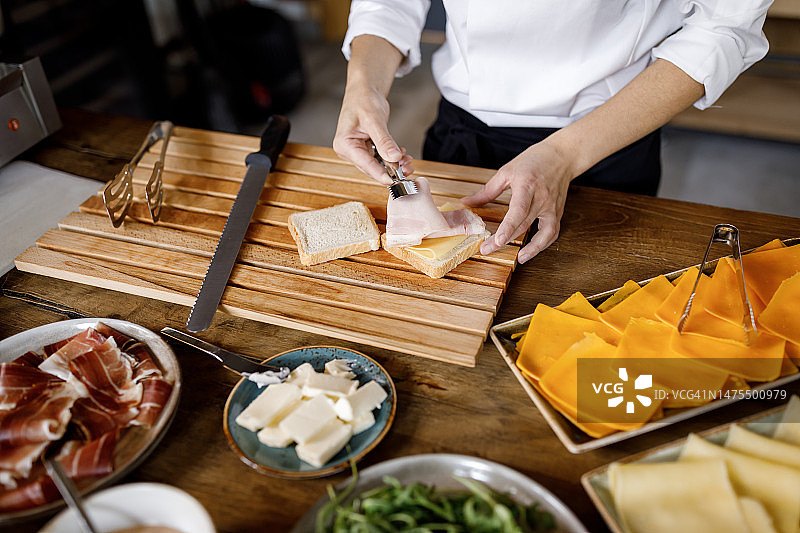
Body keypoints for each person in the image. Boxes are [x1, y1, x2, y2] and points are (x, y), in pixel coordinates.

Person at [332, 1, 772, 263]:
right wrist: (363, 83)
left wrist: (564, 155)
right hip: (461, 133)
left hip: (604, 141)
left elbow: (724, 26)